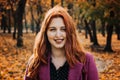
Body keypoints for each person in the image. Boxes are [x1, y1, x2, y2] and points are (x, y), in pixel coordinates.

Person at [24, 5, 99, 80]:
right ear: (45, 32)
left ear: (70, 31)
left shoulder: (86, 60)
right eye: (53, 29)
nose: (58, 35)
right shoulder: (35, 61)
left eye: (63, 29)